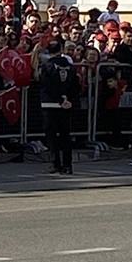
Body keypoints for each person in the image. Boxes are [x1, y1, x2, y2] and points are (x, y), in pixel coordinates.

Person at [39, 40, 78, 175]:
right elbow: (76, 85)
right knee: (65, 135)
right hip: (66, 105)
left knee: (51, 135)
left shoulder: (47, 66)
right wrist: (67, 99)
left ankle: (55, 163)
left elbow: (47, 85)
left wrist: (59, 99)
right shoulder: (70, 66)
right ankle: (68, 165)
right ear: (61, 49)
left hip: (50, 103)